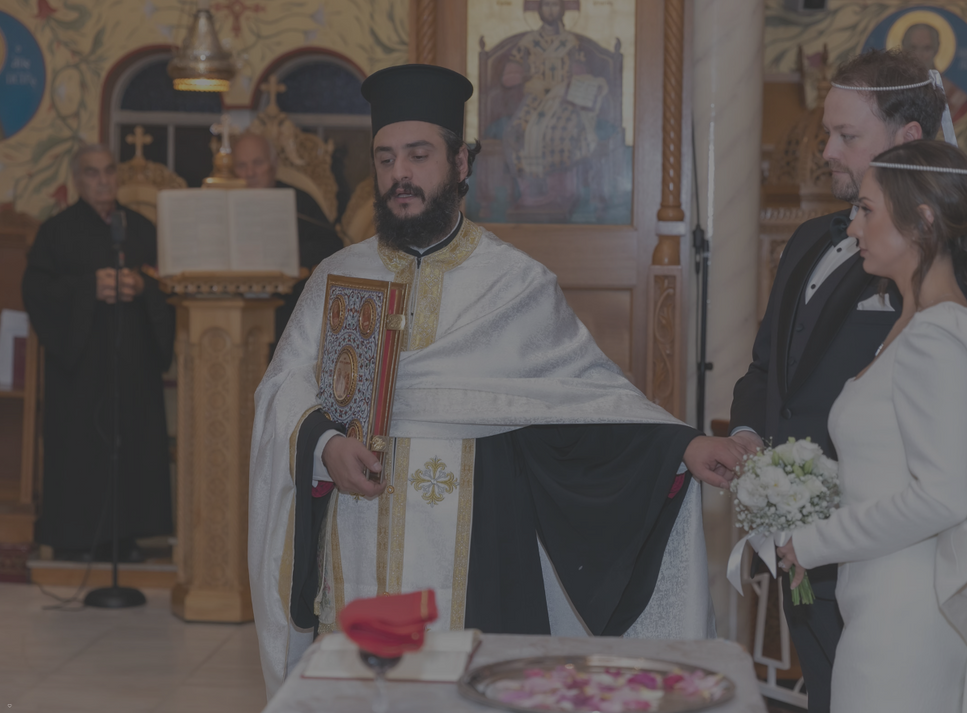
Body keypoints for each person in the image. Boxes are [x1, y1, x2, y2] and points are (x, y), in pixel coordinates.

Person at [248, 63, 743, 697]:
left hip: (478, 548)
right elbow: (281, 390)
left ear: (460, 163)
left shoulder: (514, 283)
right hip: (352, 541)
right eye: (386, 158)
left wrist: (680, 447)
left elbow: (584, 406)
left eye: (419, 155)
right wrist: (323, 445)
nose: (400, 175)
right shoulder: (337, 277)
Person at [728, 49, 967, 712]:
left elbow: (964, 448)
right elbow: (774, 370)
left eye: (847, 136)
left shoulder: (942, 282)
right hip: (837, 563)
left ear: (908, 143)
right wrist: (757, 448)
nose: (826, 150)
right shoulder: (815, 241)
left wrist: (819, 539)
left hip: (896, 568)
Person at [776, 139, 967, 712]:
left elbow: (940, 497)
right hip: (879, 600)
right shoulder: (908, 326)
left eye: (866, 209)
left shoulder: (938, 335)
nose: (854, 227)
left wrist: (812, 540)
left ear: (921, 221)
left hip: (906, 618)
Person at [23, 144, 175, 562]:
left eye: (109, 171)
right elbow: (36, 291)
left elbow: (171, 288)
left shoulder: (141, 229)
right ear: (77, 179)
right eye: (92, 173)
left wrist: (143, 289)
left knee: (130, 446)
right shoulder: (56, 232)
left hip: (133, 366)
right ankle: (76, 538)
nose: (103, 180)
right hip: (79, 369)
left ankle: (125, 536)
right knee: (80, 449)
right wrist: (90, 288)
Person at [232, 132, 343, 339]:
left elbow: (332, 245)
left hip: (287, 304)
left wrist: (287, 255)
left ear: (274, 164)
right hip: (232, 301)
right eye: (241, 166)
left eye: (258, 163)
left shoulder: (297, 202)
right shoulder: (223, 203)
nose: (249, 173)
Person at [500, 0, 607, 209]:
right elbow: (508, 77)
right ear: (538, 9)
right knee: (516, 133)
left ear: (562, 9)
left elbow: (581, 75)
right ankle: (530, 192)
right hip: (534, 100)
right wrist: (526, 75)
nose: (550, 10)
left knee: (559, 133)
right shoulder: (528, 43)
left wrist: (568, 85)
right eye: (546, 5)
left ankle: (560, 194)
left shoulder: (570, 42)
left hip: (564, 100)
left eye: (555, 5)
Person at [901, 23, 967, 121]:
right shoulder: (892, 90)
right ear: (904, 49)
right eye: (913, 48)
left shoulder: (956, 98)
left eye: (926, 48)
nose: (919, 55)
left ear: (936, 49)